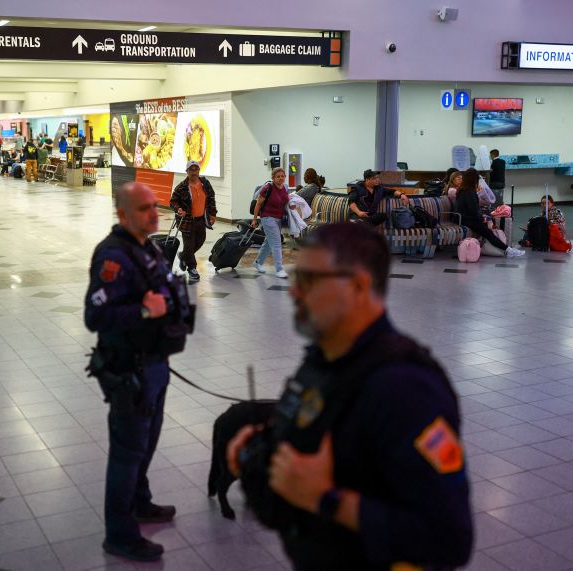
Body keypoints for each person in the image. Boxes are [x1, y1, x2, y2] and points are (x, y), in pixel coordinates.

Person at [226, 222, 474, 570]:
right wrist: (263, 449)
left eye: (310, 280)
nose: (295, 293)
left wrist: (327, 499)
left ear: (358, 286)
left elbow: (449, 539)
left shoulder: (405, 388)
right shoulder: (325, 360)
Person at [84, 182, 193, 563]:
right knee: (128, 453)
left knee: (146, 443)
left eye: (153, 205)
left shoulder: (146, 247)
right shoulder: (112, 256)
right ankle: (120, 534)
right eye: (144, 208)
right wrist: (146, 312)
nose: (154, 212)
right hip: (128, 371)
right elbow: (94, 315)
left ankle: (141, 501)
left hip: (154, 364)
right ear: (123, 215)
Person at [456, 168, 524, 258]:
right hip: (467, 220)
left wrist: (481, 216)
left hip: (463, 218)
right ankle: (508, 250)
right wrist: (482, 218)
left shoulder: (463, 190)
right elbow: (473, 210)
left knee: (488, 227)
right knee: (488, 232)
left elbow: (471, 209)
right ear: (474, 180)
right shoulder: (469, 192)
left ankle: (506, 249)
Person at [170, 160, 217, 282]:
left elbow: (211, 198)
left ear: (199, 171)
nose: (194, 172)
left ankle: (183, 256)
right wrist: (179, 209)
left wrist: (213, 214)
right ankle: (192, 268)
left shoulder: (205, 183)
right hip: (187, 221)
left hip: (201, 219)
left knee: (201, 240)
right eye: (191, 169)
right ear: (187, 171)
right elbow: (173, 201)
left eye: (196, 169)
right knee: (189, 244)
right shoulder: (182, 187)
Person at [251, 167, 291, 278]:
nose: (281, 178)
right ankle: (279, 269)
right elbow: (258, 204)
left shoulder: (285, 188)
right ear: (273, 178)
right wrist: (255, 219)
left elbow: (287, 202)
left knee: (268, 243)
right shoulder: (268, 187)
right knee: (277, 242)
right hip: (267, 218)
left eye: (282, 176)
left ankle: (258, 263)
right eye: (278, 177)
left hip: (278, 219)